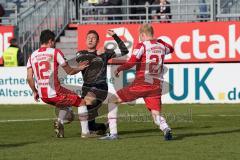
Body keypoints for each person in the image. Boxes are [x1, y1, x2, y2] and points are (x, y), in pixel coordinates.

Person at [100, 24, 174, 140]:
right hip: (157, 85)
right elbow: (171, 48)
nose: (139, 38)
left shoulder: (142, 45)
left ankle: (113, 134)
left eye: (140, 36)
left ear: (143, 35)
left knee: (112, 100)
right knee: (155, 115)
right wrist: (159, 40)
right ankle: (166, 128)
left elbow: (131, 63)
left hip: (142, 82)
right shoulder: (161, 45)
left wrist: (119, 68)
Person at [27, 29, 92, 138]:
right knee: (81, 102)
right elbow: (70, 71)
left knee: (66, 107)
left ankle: (60, 122)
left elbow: (29, 78)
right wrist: (80, 68)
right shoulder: (55, 52)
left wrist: (34, 91)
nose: (54, 44)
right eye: (54, 42)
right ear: (50, 41)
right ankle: (85, 133)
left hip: (43, 96)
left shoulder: (32, 56)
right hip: (55, 92)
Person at [75, 29, 129, 135]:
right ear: (85, 40)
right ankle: (104, 126)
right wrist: (96, 54)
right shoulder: (80, 54)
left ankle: (85, 134)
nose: (90, 40)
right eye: (88, 38)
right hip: (86, 88)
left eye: (93, 38)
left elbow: (124, 52)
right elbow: (86, 61)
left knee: (87, 102)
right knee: (90, 122)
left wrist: (115, 36)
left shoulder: (105, 53)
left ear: (98, 41)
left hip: (100, 87)